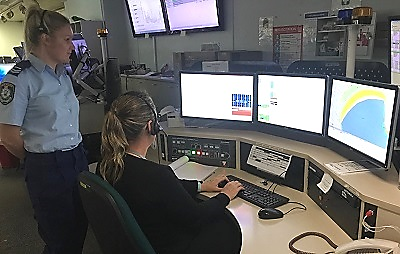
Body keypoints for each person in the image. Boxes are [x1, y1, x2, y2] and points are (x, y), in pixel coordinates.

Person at [99, 91, 244, 254]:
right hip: (171, 246)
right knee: (226, 226)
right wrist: (226, 194)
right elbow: (196, 217)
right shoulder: (157, 175)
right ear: (150, 126)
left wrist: (200, 186)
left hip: (142, 241)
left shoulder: (106, 165)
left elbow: (162, 190)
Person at [0, 5, 88, 254]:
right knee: (59, 239)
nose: (72, 46)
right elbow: (7, 136)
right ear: (45, 39)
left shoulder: (62, 75)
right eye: (67, 39)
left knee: (80, 228)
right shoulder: (20, 79)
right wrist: (37, 159)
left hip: (76, 158)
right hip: (47, 165)